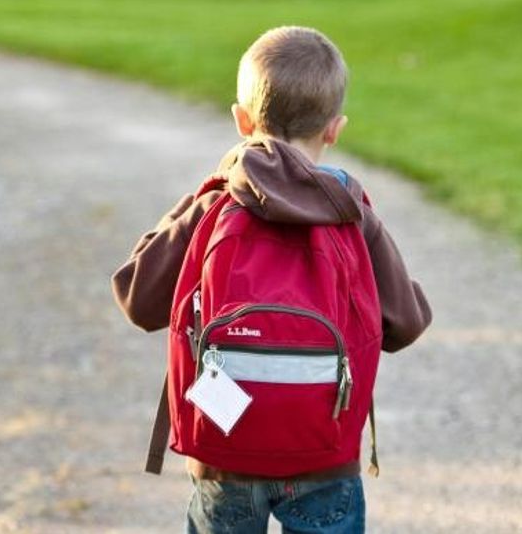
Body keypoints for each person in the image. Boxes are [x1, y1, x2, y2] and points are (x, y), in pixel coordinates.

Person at [112, 26, 431, 534]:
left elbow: (136, 297)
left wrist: (198, 198)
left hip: (226, 450)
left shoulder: (216, 207)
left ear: (241, 121)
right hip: (324, 453)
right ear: (335, 128)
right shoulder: (352, 213)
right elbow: (406, 325)